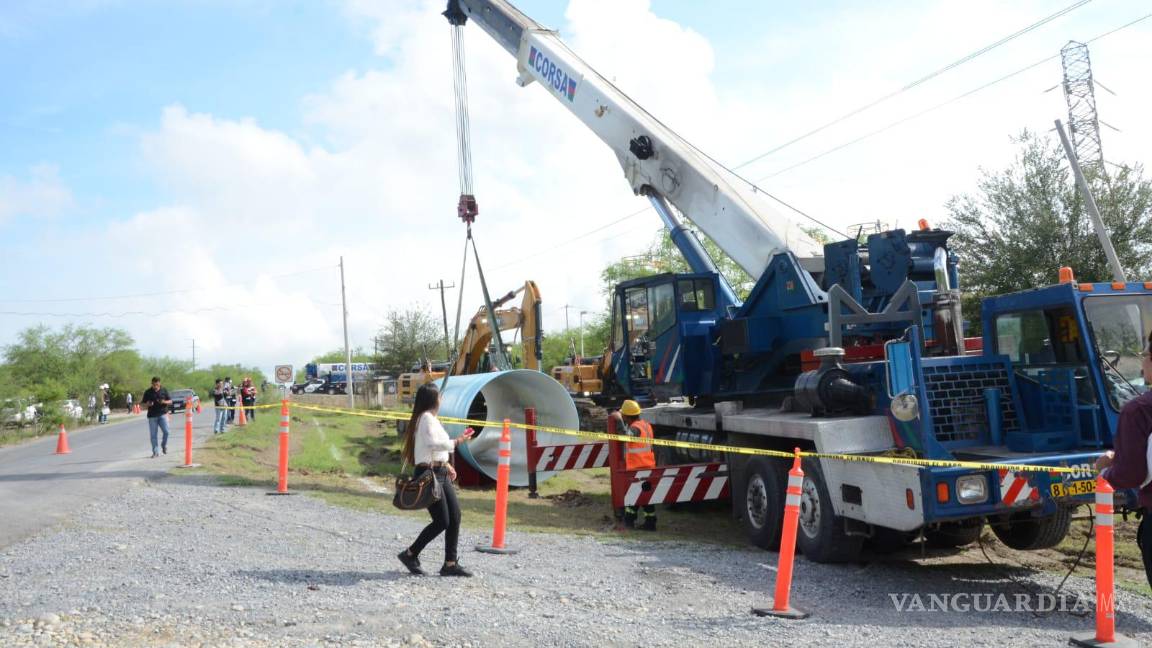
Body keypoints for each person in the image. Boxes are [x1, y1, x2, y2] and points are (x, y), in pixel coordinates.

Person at [397, 383, 475, 577]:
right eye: (439, 396)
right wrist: (457, 442)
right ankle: (410, 554)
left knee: (455, 516)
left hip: (439, 472)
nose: (441, 399)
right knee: (442, 521)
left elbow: (433, 449)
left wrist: (446, 464)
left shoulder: (431, 419)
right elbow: (433, 443)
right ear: (433, 399)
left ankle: (450, 563)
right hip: (429, 476)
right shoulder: (425, 418)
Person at [1096, 332, 1152, 589]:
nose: (1142, 363)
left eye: (1144, 356)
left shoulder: (1139, 410)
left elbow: (1131, 475)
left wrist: (1106, 472)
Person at [611, 399, 658, 531]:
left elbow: (625, 436)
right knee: (646, 498)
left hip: (639, 468)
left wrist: (618, 420)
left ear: (626, 416)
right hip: (648, 466)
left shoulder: (636, 428)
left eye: (623, 415)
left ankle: (629, 522)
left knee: (632, 497)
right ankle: (650, 523)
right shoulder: (645, 425)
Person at [141, 377, 173, 458]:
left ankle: (163, 445)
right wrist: (147, 404)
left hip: (163, 414)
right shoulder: (148, 392)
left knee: (167, 432)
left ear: (159, 383)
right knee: (153, 435)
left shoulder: (164, 390)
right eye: (153, 384)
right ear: (151, 383)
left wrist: (164, 401)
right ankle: (155, 452)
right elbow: (142, 404)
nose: (155, 386)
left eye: (157, 384)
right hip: (152, 416)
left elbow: (170, 401)